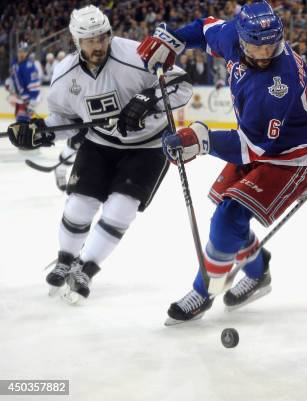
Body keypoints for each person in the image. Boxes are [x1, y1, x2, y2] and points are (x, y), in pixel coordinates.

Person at [137, 0, 307, 323]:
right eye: (257, 46)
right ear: (241, 39)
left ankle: (204, 291)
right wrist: (174, 39)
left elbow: (252, 148)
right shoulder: (233, 36)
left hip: (294, 154)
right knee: (228, 211)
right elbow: (203, 29)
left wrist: (201, 138)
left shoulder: (276, 85)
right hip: (264, 140)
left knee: (228, 218)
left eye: (272, 45)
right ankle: (258, 270)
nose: (265, 53)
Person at [6, 5, 193, 304]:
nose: (98, 45)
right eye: (90, 40)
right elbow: (65, 120)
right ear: (76, 41)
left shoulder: (136, 54)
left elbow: (182, 85)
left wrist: (151, 98)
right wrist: (40, 132)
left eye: (102, 38)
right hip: (100, 143)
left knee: (121, 209)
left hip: (148, 146)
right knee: (79, 205)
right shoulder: (65, 74)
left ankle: (87, 268)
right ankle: (65, 259)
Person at [8, 42, 40, 123]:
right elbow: (14, 79)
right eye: (20, 51)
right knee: (19, 124)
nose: (21, 53)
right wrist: (10, 85)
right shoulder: (14, 63)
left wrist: (32, 102)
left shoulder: (30, 66)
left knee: (23, 125)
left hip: (27, 100)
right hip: (19, 99)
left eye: (24, 51)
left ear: (27, 53)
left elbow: (35, 86)